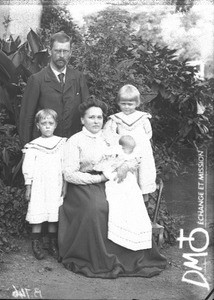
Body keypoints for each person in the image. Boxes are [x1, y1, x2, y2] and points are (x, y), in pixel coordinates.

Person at [58, 96, 167, 278]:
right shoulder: (74, 141)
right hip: (84, 184)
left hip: (110, 181)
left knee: (125, 206)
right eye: (91, 117)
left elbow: (134, 156)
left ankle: (127, 257)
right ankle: (98, 258)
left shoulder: (111, 138)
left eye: (99, 117)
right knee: (97, 208)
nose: (96, 121)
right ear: (82, 120)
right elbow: (69, 174)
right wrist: (98, 178)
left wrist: (124, 166)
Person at [19, 31, 89, 146]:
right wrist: (26, 149)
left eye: (65, 51)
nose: (61, 55)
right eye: (57, 51)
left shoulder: (78, 78)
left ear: (70, 52)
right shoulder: (37, 80)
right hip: (44, 147)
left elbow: (87, 113)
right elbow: (26, 119)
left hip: (72, 145)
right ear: (50, 50)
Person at [94, 134, 152, 251]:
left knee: (133, 200)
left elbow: (135, 164)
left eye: (131, 150)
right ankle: (119, 232)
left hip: (128, 183)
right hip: (115, 181)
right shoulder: (115, 153)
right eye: (127, 149)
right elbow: (107, 166)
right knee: (117, 200)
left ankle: (132, 235)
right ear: (121, 147)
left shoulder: (132, 157)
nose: (128, 152)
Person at [22, 109, 67, 260]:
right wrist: (28, 186)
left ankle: (52, 242)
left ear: (55, 125)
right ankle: (36, 242)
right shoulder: (33, 146)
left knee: (54, 212)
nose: (47, 126)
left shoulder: (62, 143)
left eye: (50, 123)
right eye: (43, 123)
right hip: (39, 186)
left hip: (56, 183)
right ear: (37, 126)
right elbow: (28, 168)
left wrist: (65, 184)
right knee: (38, 210)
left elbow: (65, 165)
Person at [104, 84, 157, 203]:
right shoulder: (116, 119)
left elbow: (148, 134)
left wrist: (139, 145)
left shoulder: (142, 118)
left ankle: (144, 208)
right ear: (118, 102)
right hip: (125, 152)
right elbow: (110, 135)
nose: (126, 107)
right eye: (123, 103)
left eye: (130, 104)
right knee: (127, 181)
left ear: (137, 103)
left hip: (142, 152)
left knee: (143, 177)